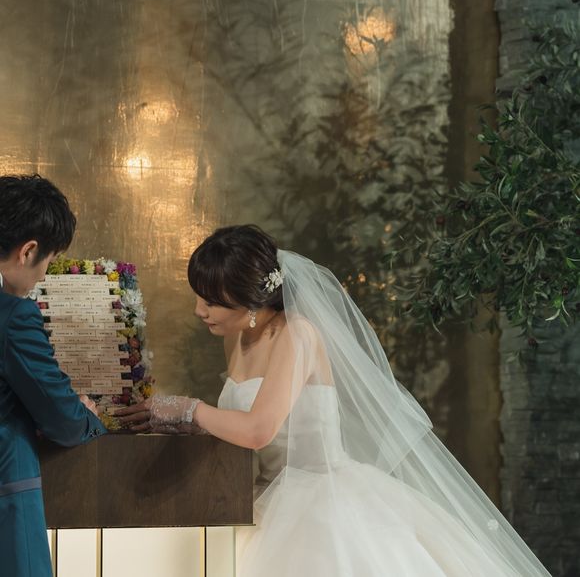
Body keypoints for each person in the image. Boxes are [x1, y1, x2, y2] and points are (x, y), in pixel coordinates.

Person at [118, 224, 550, 576]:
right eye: (198, 296)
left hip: (320, 501)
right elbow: (236, 427)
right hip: (262, 500)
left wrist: (189, 410)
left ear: (251, 299)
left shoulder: (297, 334)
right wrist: (176, 422)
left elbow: (258, 429)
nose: (200, 310)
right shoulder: (240, 337)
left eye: (212, 301)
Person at [0, 174, 107, 577]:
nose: (44, 275)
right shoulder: (12, 315)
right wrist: (86, 416)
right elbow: (61, 417)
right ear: (28, 250)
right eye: (48, 260)